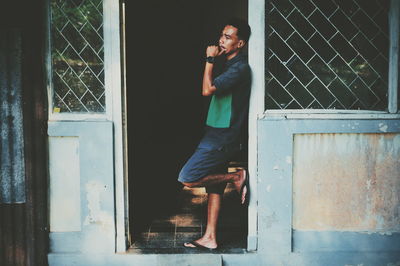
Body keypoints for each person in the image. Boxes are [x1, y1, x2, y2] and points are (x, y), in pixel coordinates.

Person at [177, 18, 252, 250]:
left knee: (188, 177)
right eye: (222, 35)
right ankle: (210, 238)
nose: (221, 39)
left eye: (228, 37)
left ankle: (236, 177)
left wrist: (209, 59)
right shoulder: (228, 64)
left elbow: (206, 90)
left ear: (240, 44)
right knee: (214, 188)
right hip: (217, 132)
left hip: (222, 137)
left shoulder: (239, 68)